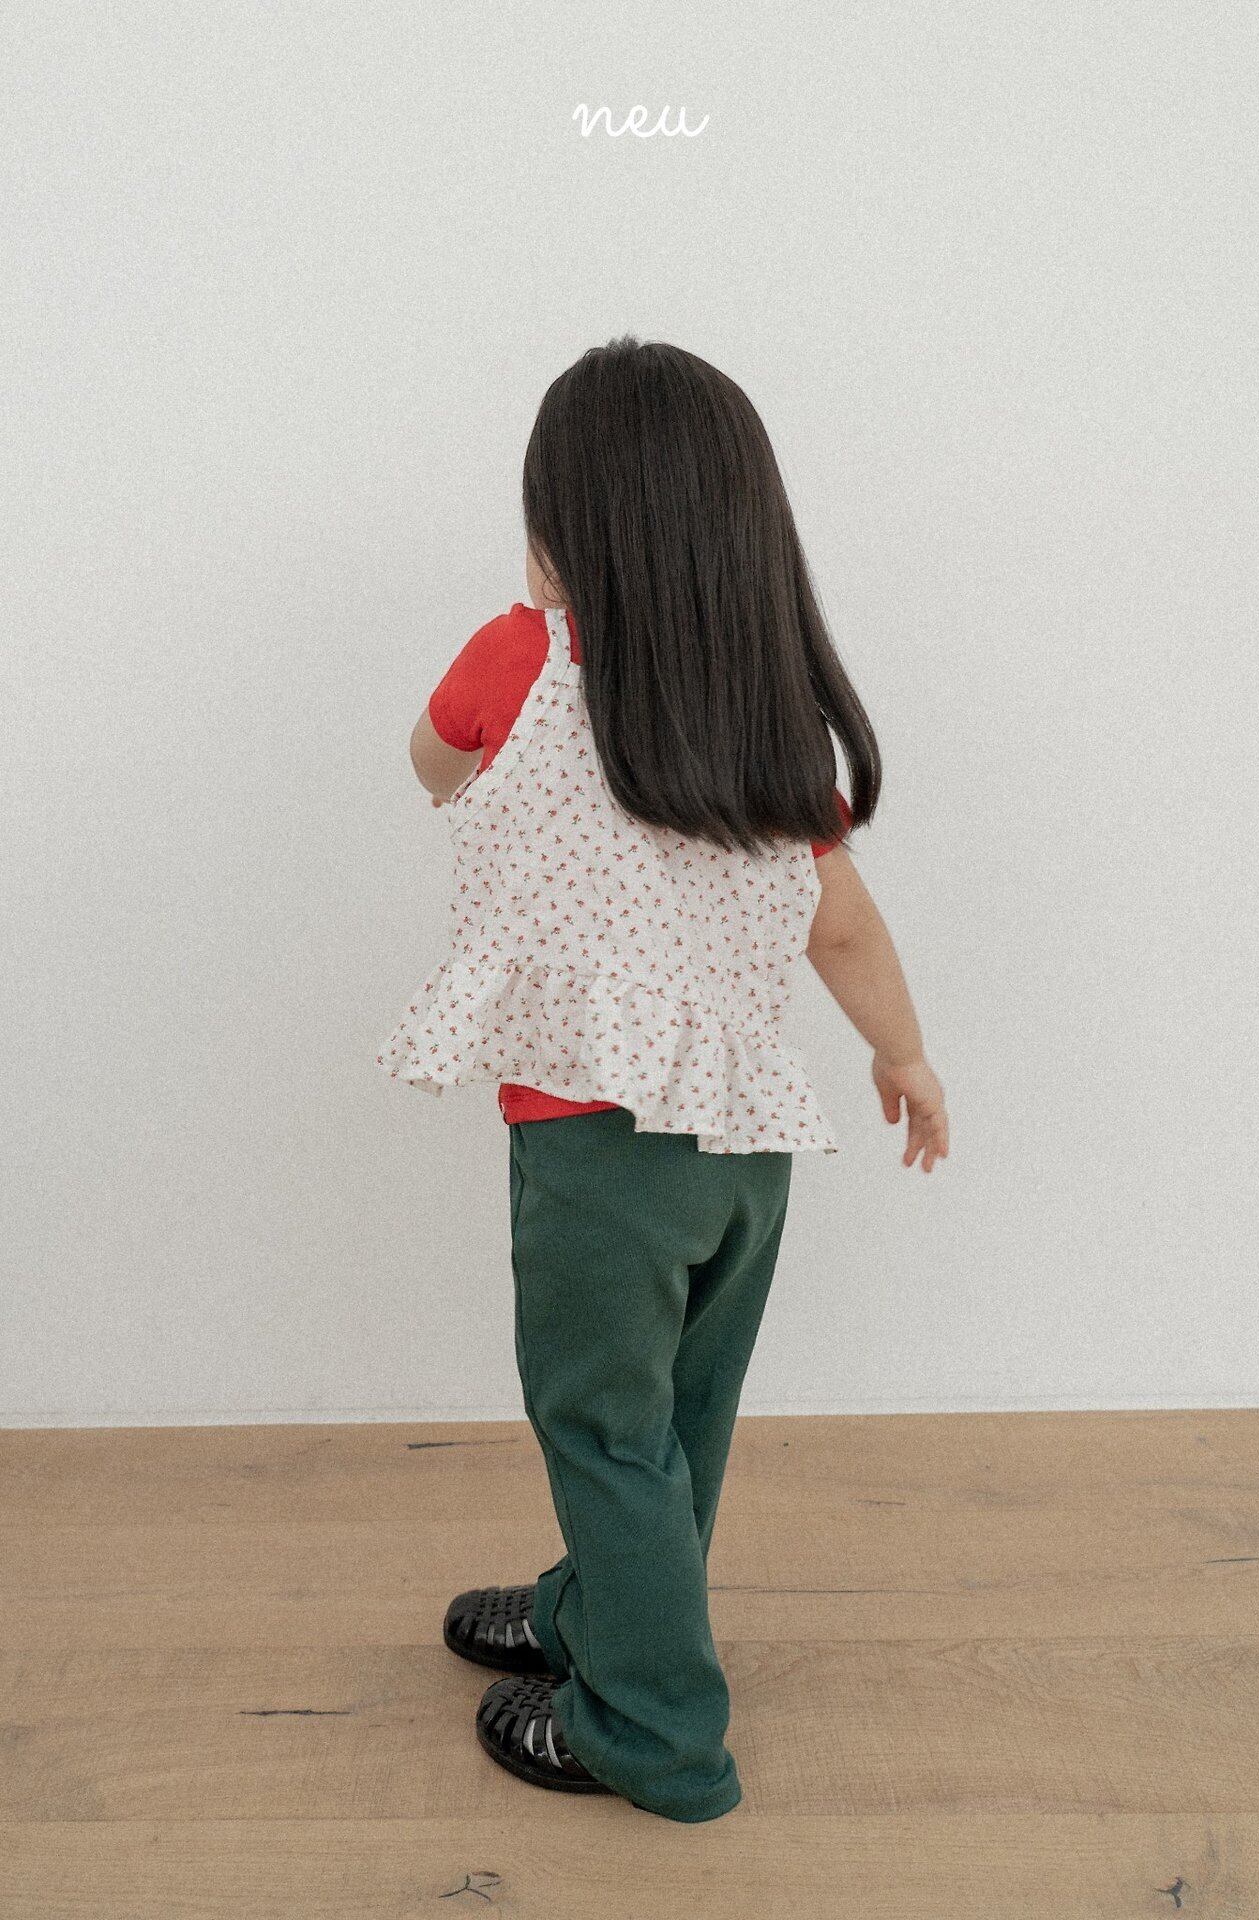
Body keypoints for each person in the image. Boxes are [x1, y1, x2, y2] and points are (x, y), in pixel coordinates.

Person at [376, 336, 949, 1823]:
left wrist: (504, 706)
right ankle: (598, 1611)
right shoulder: (765, 721)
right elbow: (840, 922)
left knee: (600, 1430)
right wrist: (903, 1053)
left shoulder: (517, 661)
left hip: (597, 1152)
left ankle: (653, 1733)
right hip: (743, 1152)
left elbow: (431, 765)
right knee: (678, 1427)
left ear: (562, 531)